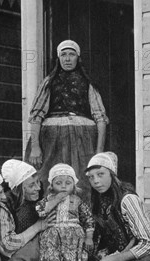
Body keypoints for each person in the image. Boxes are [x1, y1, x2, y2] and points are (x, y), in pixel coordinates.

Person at [26, 39, 109, 199]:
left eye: (71, 54)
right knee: (48, 179)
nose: (67, 59)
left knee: (83, 181)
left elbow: (100, 118)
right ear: (59, 58)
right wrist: (35, 147)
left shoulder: (88, 83)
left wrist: (99, 151)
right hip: (52, 140)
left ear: (78, 58)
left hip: (83, 140)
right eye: (63, 55)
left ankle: (82, 220)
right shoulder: (49, 82)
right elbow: (36, 116)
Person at [36, 163, 95, 261]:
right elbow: (40, 211)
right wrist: (55, 200)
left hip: (73, 238)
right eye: (58, 183)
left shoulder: (78, 201)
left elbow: (88, 220)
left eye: (68, 183)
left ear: (74, 185)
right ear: (51, 185)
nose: (63, 186)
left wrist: (89, 237)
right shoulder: (48, 200)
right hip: (52, 237)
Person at [0, 159, 51, 261]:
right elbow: (7, 246)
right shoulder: (4, 207)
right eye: (31, 185)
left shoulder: (37, 199)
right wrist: (37, 227)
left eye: (38, 182)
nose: (38, 188)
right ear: (18, 188)